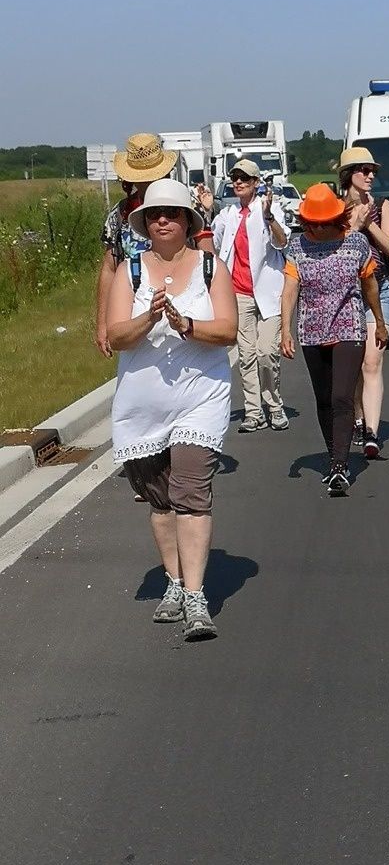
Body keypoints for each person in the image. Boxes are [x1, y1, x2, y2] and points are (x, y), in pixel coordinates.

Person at [106, 178, 237, 641]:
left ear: (187, 221)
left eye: (173, 213)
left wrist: (186, 324)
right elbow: (116, 335)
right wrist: (150, 317)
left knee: (191, 492)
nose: (163, 220)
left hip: (200, 397)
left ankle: (197, 597)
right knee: (161, 500)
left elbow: (228, 331)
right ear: (145, 223)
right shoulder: (131, 271)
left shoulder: (210, 267)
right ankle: (175, 582)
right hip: (142, 403)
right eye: (155, 214)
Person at [280, 183, 387, 497]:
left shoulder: (356, 243)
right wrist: (285, 329)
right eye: (314, 223)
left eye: (325, 223)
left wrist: (379, 322)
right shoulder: (297, 247)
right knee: (324, 399)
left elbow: (369, 285)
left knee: (342, 396)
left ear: (337, 218)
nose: (319, 229)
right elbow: (290, 290)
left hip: (349, 326)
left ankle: (340, 466)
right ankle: (333, 454)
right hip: (311, 329)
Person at [202, 158, 290, 434]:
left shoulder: (268, 208)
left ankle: (274, 405)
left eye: (244, 178)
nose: (238, 182)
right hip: (238, 293)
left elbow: (282, 242)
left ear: (255, 183)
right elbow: (211, 245)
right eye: (235, 178)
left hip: (268, 292)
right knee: (246, 355)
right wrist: (207, 212)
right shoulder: (228, 214)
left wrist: (269, 216)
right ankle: (254, 412)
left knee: (267, 353)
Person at [339, 146, 389, 458]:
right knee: (354, 365)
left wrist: (369, 223)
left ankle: (372, 433)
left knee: (371, 362)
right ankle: (359, 418)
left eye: (373, 170)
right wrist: (353, 226)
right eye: (364, 170)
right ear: (349, 174)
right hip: (346, 294)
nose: (370, 175)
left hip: (380, 289)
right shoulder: (335, 208)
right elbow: (333, 250)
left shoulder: (382, 205)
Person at [95, 132, 178, 357]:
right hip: (133, 314)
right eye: (142, 177)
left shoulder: (183, 207)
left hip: (181, 304)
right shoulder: (120, 215)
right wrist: (102, 324)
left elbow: (206, 256)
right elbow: (110, 268)